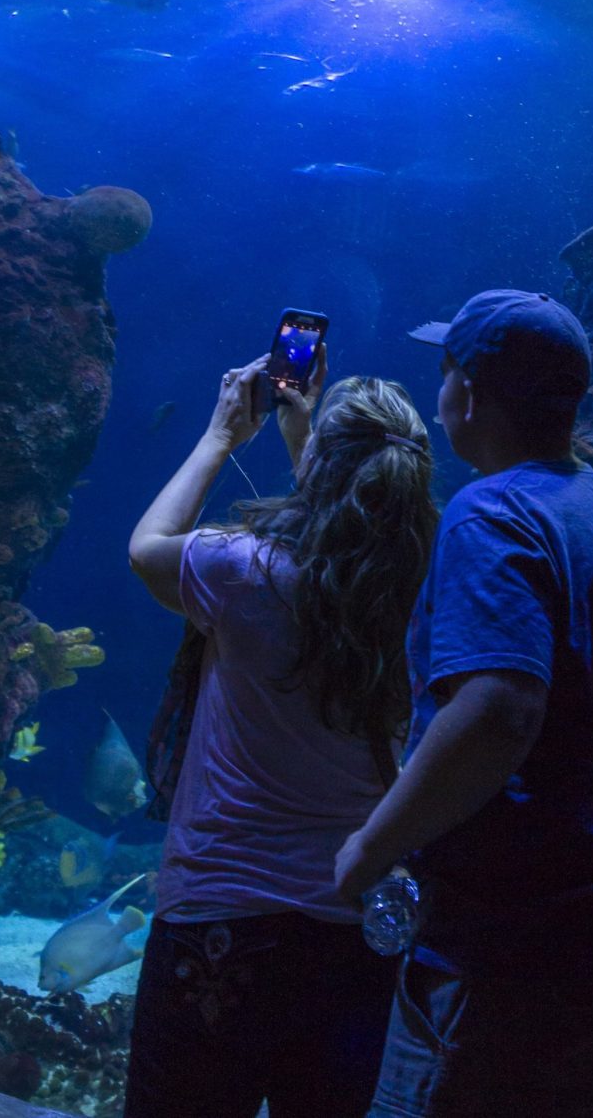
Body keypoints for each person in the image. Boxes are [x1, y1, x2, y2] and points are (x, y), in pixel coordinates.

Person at [335, 289, 593, 1118]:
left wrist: (371, 845)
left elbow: (501, 709)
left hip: (530, 952)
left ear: (466, 391)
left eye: (444, 377)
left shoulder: (494, 512)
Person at [124, 350, 438, 1118]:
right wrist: (311, 436)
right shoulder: (425, 591)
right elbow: (346, 542)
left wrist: (222, 435)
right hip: (353, 931)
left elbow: (147, 551)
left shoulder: (243, 572)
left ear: (327, 467)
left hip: (220, 922)